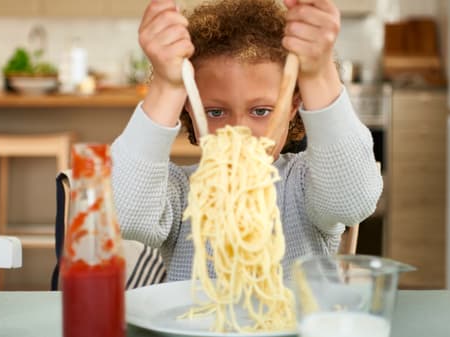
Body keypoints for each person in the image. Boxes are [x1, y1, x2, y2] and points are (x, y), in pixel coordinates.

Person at [111, 0, 383, 282]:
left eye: (261, 111)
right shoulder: (181, 192)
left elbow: (352, 201)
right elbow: (127, 216)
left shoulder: (305, 182)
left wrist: (318, 72)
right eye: (215, 112)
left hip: (296, 324)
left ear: (293, 107)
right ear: (190, 110)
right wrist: (166, 87)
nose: (239, 131)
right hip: (197, 325)